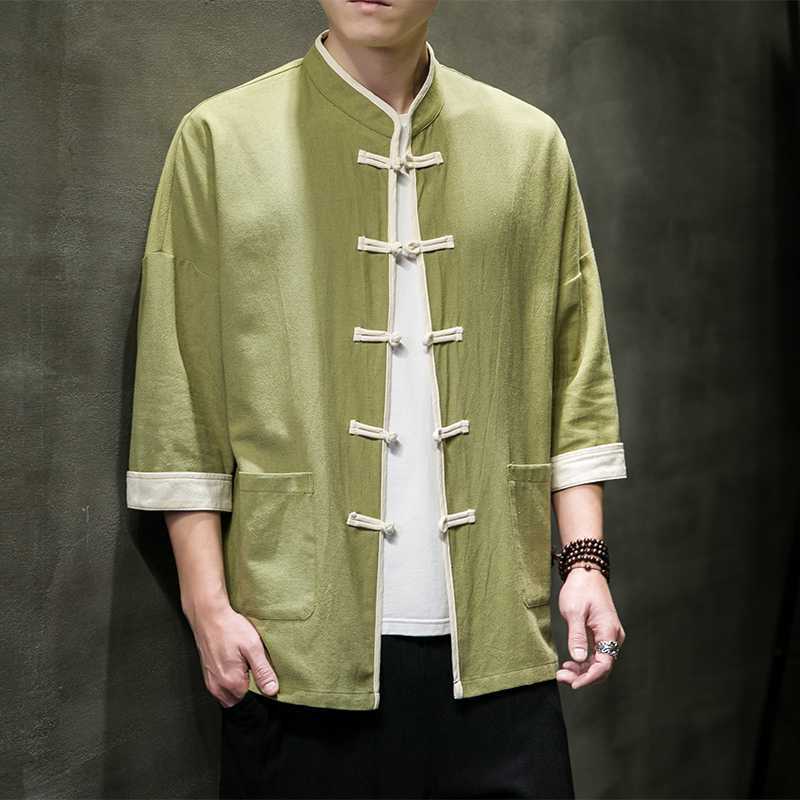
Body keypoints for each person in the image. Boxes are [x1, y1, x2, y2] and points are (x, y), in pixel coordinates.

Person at [126, 1, 628, 797]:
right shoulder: (220, 140)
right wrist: (205, 603)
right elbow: (178, 385)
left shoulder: (530, 147)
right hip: (292, 652)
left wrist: (585, 563)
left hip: (502, 645)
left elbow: (576, 376)